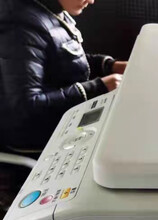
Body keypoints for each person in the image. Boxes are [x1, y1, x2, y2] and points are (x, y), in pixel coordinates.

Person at [0, 0, 127, 151]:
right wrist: (98, 88)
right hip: (40, 142)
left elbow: (61, 60)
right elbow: (26, 107)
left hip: (64, 124)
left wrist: (109, 66)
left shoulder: (49, 9)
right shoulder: (19, 27)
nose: (91, 1)